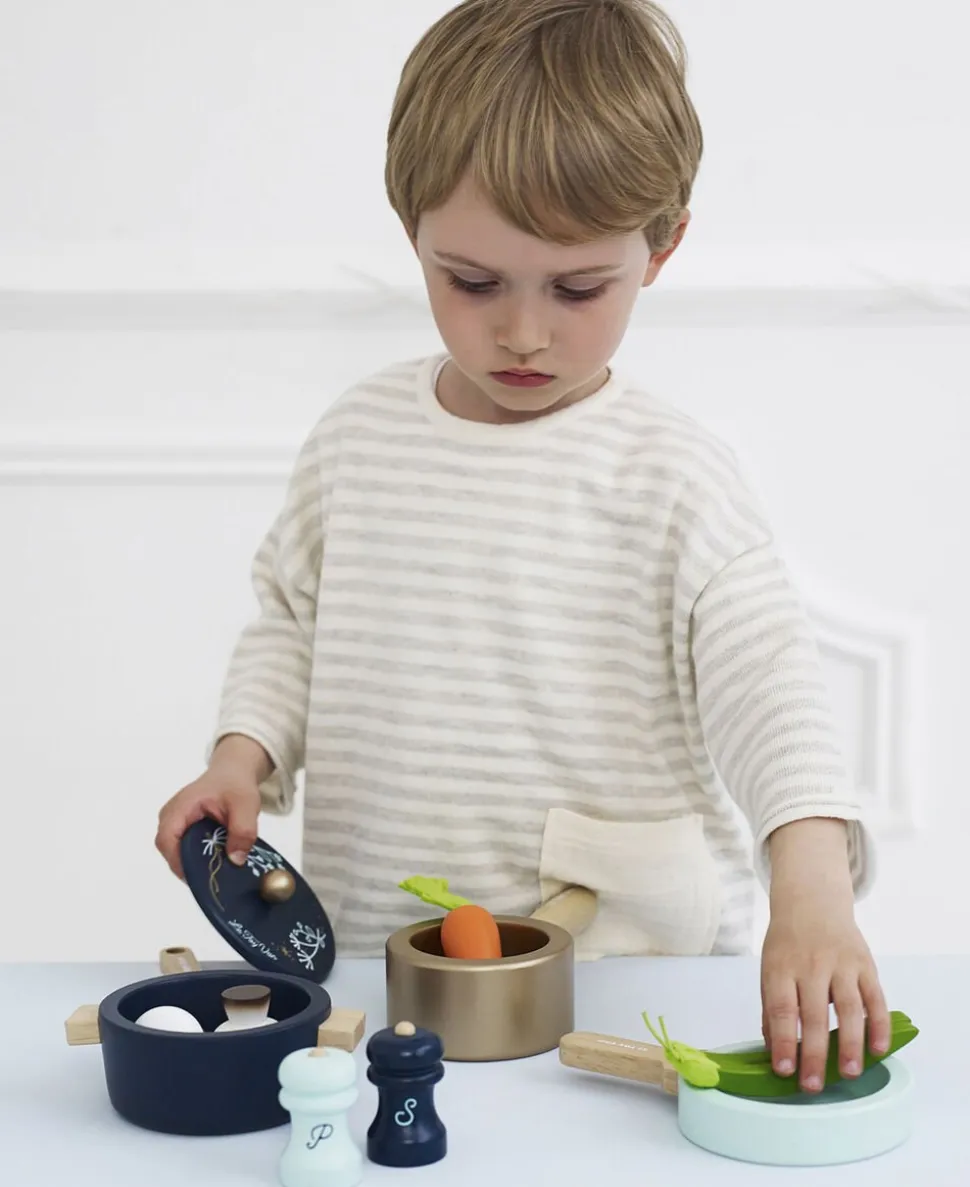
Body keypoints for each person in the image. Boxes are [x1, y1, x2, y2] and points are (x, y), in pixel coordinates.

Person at [155, 0, 890, 1094]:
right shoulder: (357, 440)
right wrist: (240, 757)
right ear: (411, 231)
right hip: (388, 985)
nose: (524, 333)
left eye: (578, 288)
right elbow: (292, 624)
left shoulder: (675, 476)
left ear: (662, 246)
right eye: (473, 281)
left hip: (627, 995)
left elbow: (767, 683)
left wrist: (813, 887)